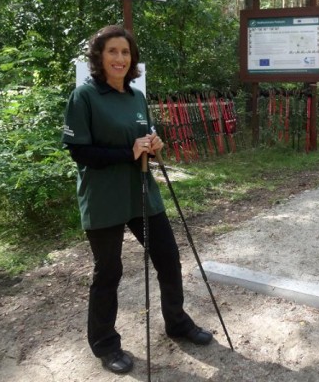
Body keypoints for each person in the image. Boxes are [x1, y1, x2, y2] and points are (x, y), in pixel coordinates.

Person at [62, 25, 213, 374]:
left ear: (132, 59)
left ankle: (176, 322)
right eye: (112, 51)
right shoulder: (84, 97)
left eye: (125, 52)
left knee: (169, 258)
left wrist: (153, 146)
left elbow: (143, 139)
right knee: (109, 271)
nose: (119, 58)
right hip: (103, 198)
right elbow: (79, 152)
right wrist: (127, 152)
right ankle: (105, 344)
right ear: (99, 57)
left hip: (141, 192)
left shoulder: (136, 97)